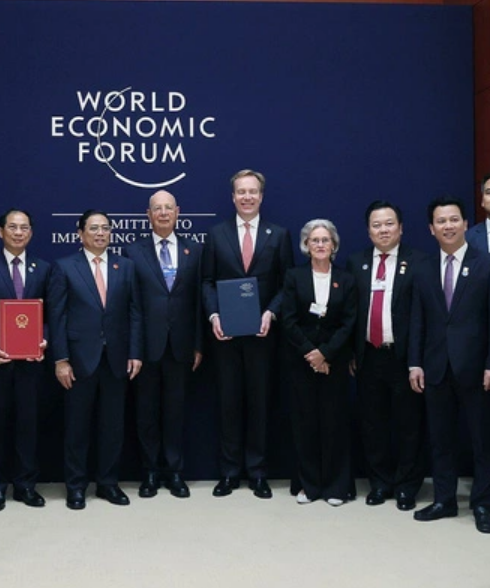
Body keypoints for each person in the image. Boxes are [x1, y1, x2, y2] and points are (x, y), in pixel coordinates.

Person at [408, 196, 490, 535]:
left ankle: (483, 503)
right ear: (431, 229)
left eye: (454, 219)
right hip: (435, 367)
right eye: (441, 221)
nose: (448, 226)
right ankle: (444, 499)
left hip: (479, 370)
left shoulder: (489, 264)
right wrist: (414, 363)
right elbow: (417, 320)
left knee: (484, 439)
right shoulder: (422, 267)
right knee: (441, 438)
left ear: (466, 224)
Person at [201, 169, 294, 499]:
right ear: (232, 197)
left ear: (262, 196)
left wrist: (271, 311)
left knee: (259, 404)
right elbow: (207, 281)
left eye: (253, 191)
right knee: (228, 404)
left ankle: (257, 472)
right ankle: (228, 473)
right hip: (225, 337)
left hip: (263, 336)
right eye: (241, 191)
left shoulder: (279, 235)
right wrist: (213, 315)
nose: (247, 197)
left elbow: (287, 284)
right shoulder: (216, 234)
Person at [48, 210, 142, 510]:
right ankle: (76, 486)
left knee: (112, 427)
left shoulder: (125, 266)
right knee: (77, 427)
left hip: (116, 359)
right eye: (94, 228)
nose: (100, 233)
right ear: (80, 233)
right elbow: (57, 316)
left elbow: (135, 313)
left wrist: (135, 352)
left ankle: (108, 484)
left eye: (105, 228)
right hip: (78, 361)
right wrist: (60, 359)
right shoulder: (64, 267)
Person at [344, 200, 426, 511]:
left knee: (408, 425)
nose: (383, 230)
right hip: (368, 356)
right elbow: (351, 312)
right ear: (368, 231)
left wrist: (417, 358)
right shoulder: (357, 262)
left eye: (389, 224)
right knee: (372, 424)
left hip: (404, 358)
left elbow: (423, 316)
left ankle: (406, 486)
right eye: (376, 225)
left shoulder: (419, 262)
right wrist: (353, 351)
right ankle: (379, 482)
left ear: (401, 228)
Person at [0, 208, 52, 511]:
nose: (19, 232)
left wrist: (44, 338)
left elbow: (51, 314)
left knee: (28, 426)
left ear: (31, 233)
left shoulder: (43, 269)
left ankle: (26, 485)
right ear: (0, 232)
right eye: (13, 227)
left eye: (24, 227)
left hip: (30, 364)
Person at [123, 190, 204, 499]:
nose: (163, 213)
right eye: (157, 208)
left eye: (168, 207)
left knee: (175, 412)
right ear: (148, 214)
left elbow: (199, 302)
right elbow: (129, 305)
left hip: (181, 347)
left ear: (178, 211)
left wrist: (198, 344)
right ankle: (150, 473)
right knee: (146, 414)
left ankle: (174, 472)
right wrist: (133, 349)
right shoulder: (133, 252)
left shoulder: (194, 250)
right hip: (145, 349)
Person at [281, 219, 357, 506]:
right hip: (302, 361)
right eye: (315, 240)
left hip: (334, 362)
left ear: (334, 245)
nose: (321, 245)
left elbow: (349, 322)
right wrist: (311, 354)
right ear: (306, 245)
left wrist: (325, 353)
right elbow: (288, 320)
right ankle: (309, 486)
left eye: (326, 240)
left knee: (334, 423)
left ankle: (337, 487)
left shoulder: (346, 279)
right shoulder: (294, 276)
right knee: (305, 424)